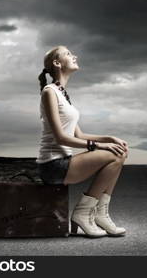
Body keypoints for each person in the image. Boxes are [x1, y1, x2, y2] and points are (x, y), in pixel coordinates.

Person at [35, 45, 128, 238]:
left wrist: (110, 138)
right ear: (57, 63)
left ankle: (100, 214)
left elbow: (80, 135)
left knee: (119, 150)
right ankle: (83, 213)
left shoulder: (63, 94)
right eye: (69, 54)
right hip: (53, 165)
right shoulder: (49, 92)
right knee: (113, 154)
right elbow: (61, 137)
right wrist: (102, 146)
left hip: (63, 162)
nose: (74, 55)